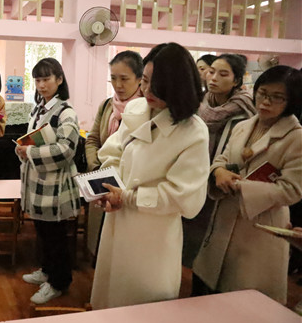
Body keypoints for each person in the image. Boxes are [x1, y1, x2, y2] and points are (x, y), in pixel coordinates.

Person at [89, 42, 209, 309]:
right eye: (145, 81)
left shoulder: (192, 131)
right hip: (117, 218)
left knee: (142, 302)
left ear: (178, 86)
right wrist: (104, 188)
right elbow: (112, 153)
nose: (148, 91)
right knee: (110, 298)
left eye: (159, 85)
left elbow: (183, 197)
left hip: (153, 231)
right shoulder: (136, 111)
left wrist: (129, 197)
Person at [192, 65, 302, 304]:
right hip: (224, 219)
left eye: (277, 97)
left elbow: (292, 189)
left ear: (292, 100)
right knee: (211, 291)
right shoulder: (244, 125)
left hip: (260, 228)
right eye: (262, 93)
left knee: (247, 300)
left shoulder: (296, 137)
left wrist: (242, 187)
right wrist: (219, 171)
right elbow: (222, 158)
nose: (265, 101)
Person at [16, 58, 81, 304]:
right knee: (43, 232)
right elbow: (29, 138)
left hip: (55, 187)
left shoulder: (66, 112)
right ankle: (47, 270)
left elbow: (67, 150)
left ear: (59, 80)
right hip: (37, 183)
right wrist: (22, 148)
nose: (41, 85)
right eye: (38, 80)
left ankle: (59, 282)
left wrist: (30, 153)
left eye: (46, 79)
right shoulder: (39, 108)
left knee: (56, 236)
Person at [183, 54, 256, 270]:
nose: (212, 77)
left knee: (214, 244)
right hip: (195, 178)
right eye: (211, 71)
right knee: (191, 237)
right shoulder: (198, 105)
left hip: (223, 184)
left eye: (223, 74)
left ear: (236, 81)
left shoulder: (245, 113)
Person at [84, 50, 143, 259]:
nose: (118, 85)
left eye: (124, 79)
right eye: (114, 79)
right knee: (100, 244)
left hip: (128, 187)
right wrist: (96, 168)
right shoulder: (107, 105)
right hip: (102, 178)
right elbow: (92, 140)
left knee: (123, 251)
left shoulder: (146, 109)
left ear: (140, 79)